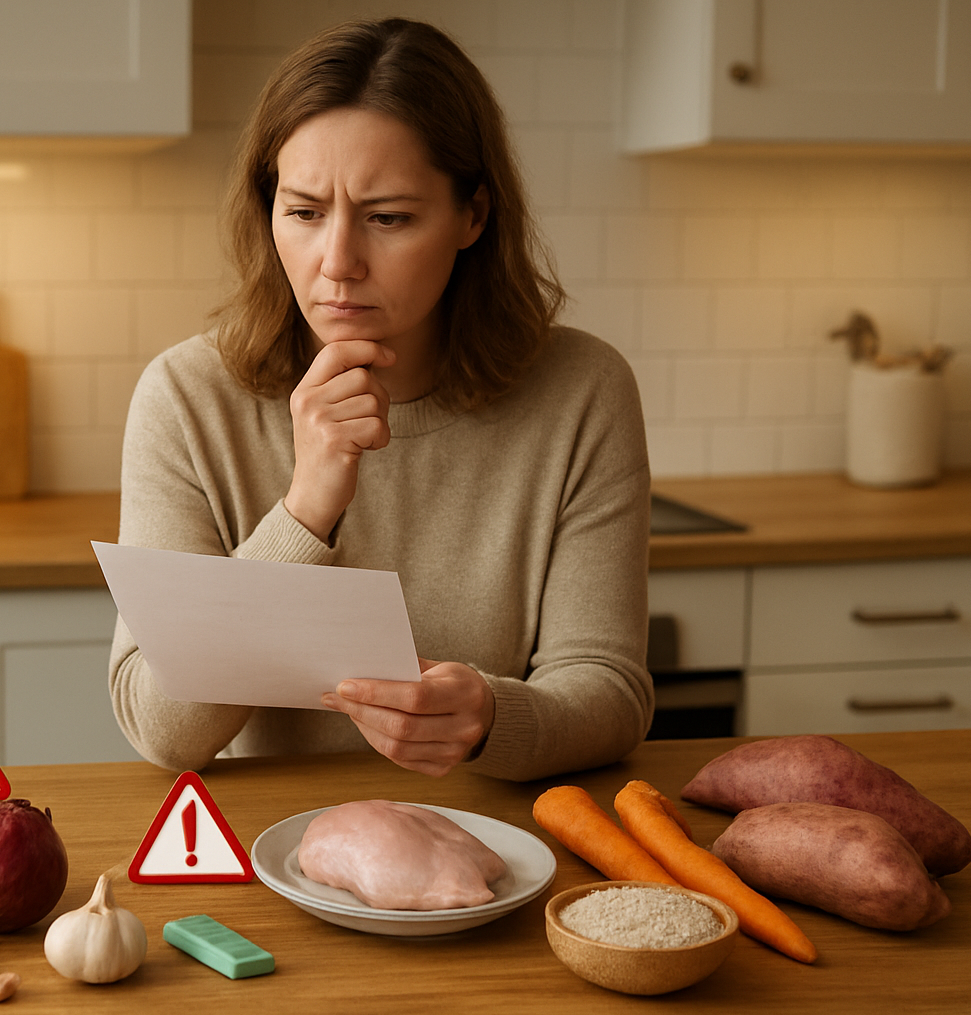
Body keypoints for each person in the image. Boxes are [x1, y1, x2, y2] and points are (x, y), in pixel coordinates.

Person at [108, 18, 652, 782]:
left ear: (473, 216)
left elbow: (612, 690)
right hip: (264, 862)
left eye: (387, 218)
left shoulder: (582, 392)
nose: (336, 264)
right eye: (303, 213)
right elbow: (163, 728)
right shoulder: (186, 397)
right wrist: (305, 511)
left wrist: (494, 719)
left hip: (496, 844)